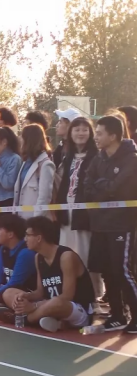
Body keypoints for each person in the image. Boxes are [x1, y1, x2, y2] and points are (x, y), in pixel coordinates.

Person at [0, 216, 95, 333]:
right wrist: (25, 296)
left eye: (28, 235)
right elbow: (40, 292)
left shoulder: (66, 257)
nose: (25, 239)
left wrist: (34, 307)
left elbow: (67, 296)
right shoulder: (38, 257)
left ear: (39, 238)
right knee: (9, 292)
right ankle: (48, 320)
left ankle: (25, 319)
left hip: (76, 309)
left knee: (56, 302)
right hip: (48, 305)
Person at [84, 115, 137, 334]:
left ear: (113, 135)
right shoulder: (98, 159)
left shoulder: (131, 159)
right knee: (106, 270)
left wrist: (104, 186)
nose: (95, 137)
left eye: (99, 133)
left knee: (121, 270)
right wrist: (104, 187)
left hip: (121, 223)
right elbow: (87, 187)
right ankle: (118, 315)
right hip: (100, 222)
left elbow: (120, 188)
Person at [54, 117, 103, 300]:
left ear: (90, 133)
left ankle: (93, 295)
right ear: (71, 133)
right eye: (76, 129)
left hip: (85, 213)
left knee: (86, 253)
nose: (80, 133)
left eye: (84, 130)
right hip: (66, 210)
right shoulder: (67, 157)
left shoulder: (97, 156)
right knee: (66, 252)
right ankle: (70, 293)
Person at [13, 124, 55, 219]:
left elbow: (44, 197)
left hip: (35, 220)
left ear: (29, 140)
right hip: (20, 218)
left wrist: (35, 220)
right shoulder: (25, 162)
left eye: (22, 136)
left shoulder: (45, 164)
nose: (20, 139)